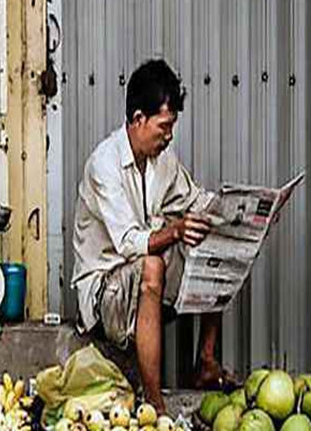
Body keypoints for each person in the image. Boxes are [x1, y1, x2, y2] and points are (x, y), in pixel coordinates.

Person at [71, 59, 234, 414]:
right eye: (164, 126)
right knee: (152, 265)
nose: (169, 135)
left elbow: (197, 200)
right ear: (138, 119)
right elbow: (130, 242)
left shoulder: (163, 160)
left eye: (172, 126)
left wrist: (242, 210)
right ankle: (154, 402)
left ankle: (206, 361)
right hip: (105, 295)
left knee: (214, 241)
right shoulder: (104, 164)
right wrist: (175, 229)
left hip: (141, 281)